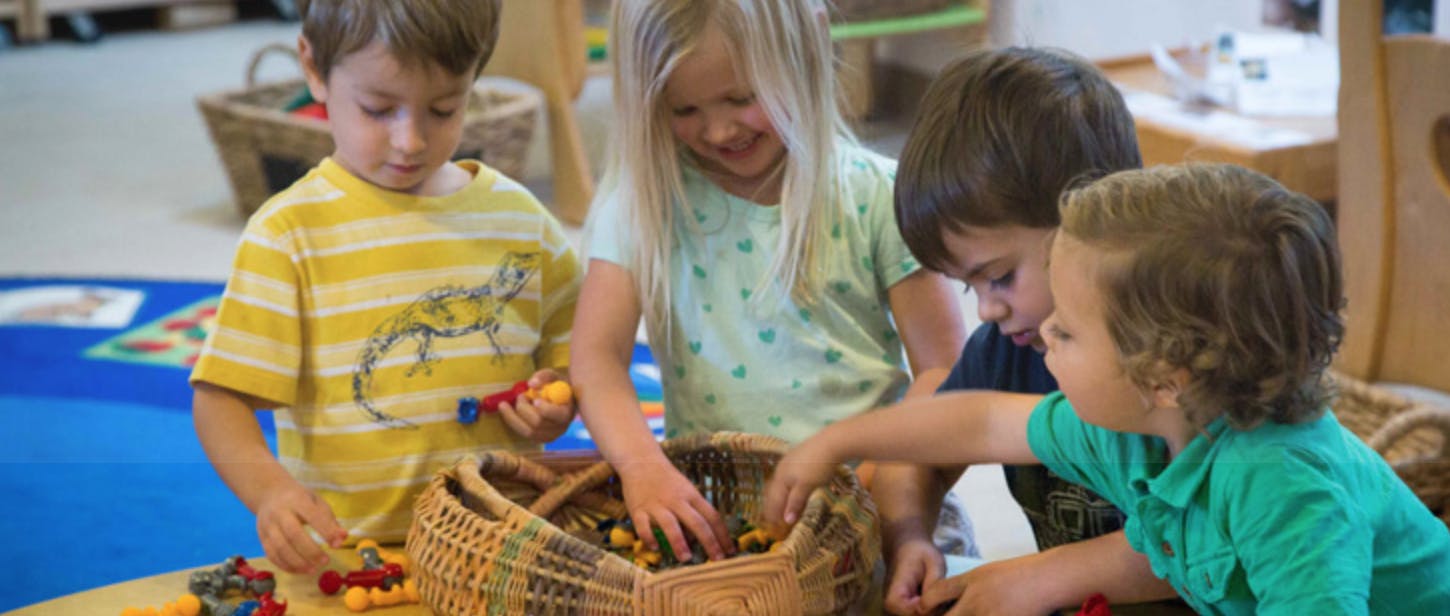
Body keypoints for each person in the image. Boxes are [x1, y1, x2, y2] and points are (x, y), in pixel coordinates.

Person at [765, 163, 1450, 614]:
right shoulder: (1139, 421)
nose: (1045, 332)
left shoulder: (1286, 489)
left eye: (1067, 331)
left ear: (1163, 378)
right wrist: (835, 442)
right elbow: (978, 423)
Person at [190, 0, 583, 574]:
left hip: (501, 545)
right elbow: (220, 398)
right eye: (378, 109)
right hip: (354, 556)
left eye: (444, 109)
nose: (410, 140)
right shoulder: (288, 235)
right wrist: (270, 492)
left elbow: (580, 349)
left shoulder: (521, 219)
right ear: (314, 69)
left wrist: (558, 400)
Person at [572, 0, 966, 563]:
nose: (719, 129)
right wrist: (641, 466)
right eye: (684, 108)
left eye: (742, 98)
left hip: (886, 502)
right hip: (725, 522)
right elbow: (597, 360)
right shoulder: (641, 206)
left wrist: (882, 476)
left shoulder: (877, 194)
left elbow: (944, 369)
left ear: (807, 51)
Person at [870, 47, 1174, 614]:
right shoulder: (1007, 349)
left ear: (1092, 224)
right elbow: (916, 455)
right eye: (969, 287)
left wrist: (1042, 578)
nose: (987, 310)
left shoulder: (1182, 358)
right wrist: (909, 535)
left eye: (1000, 277)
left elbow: (1211, 538)